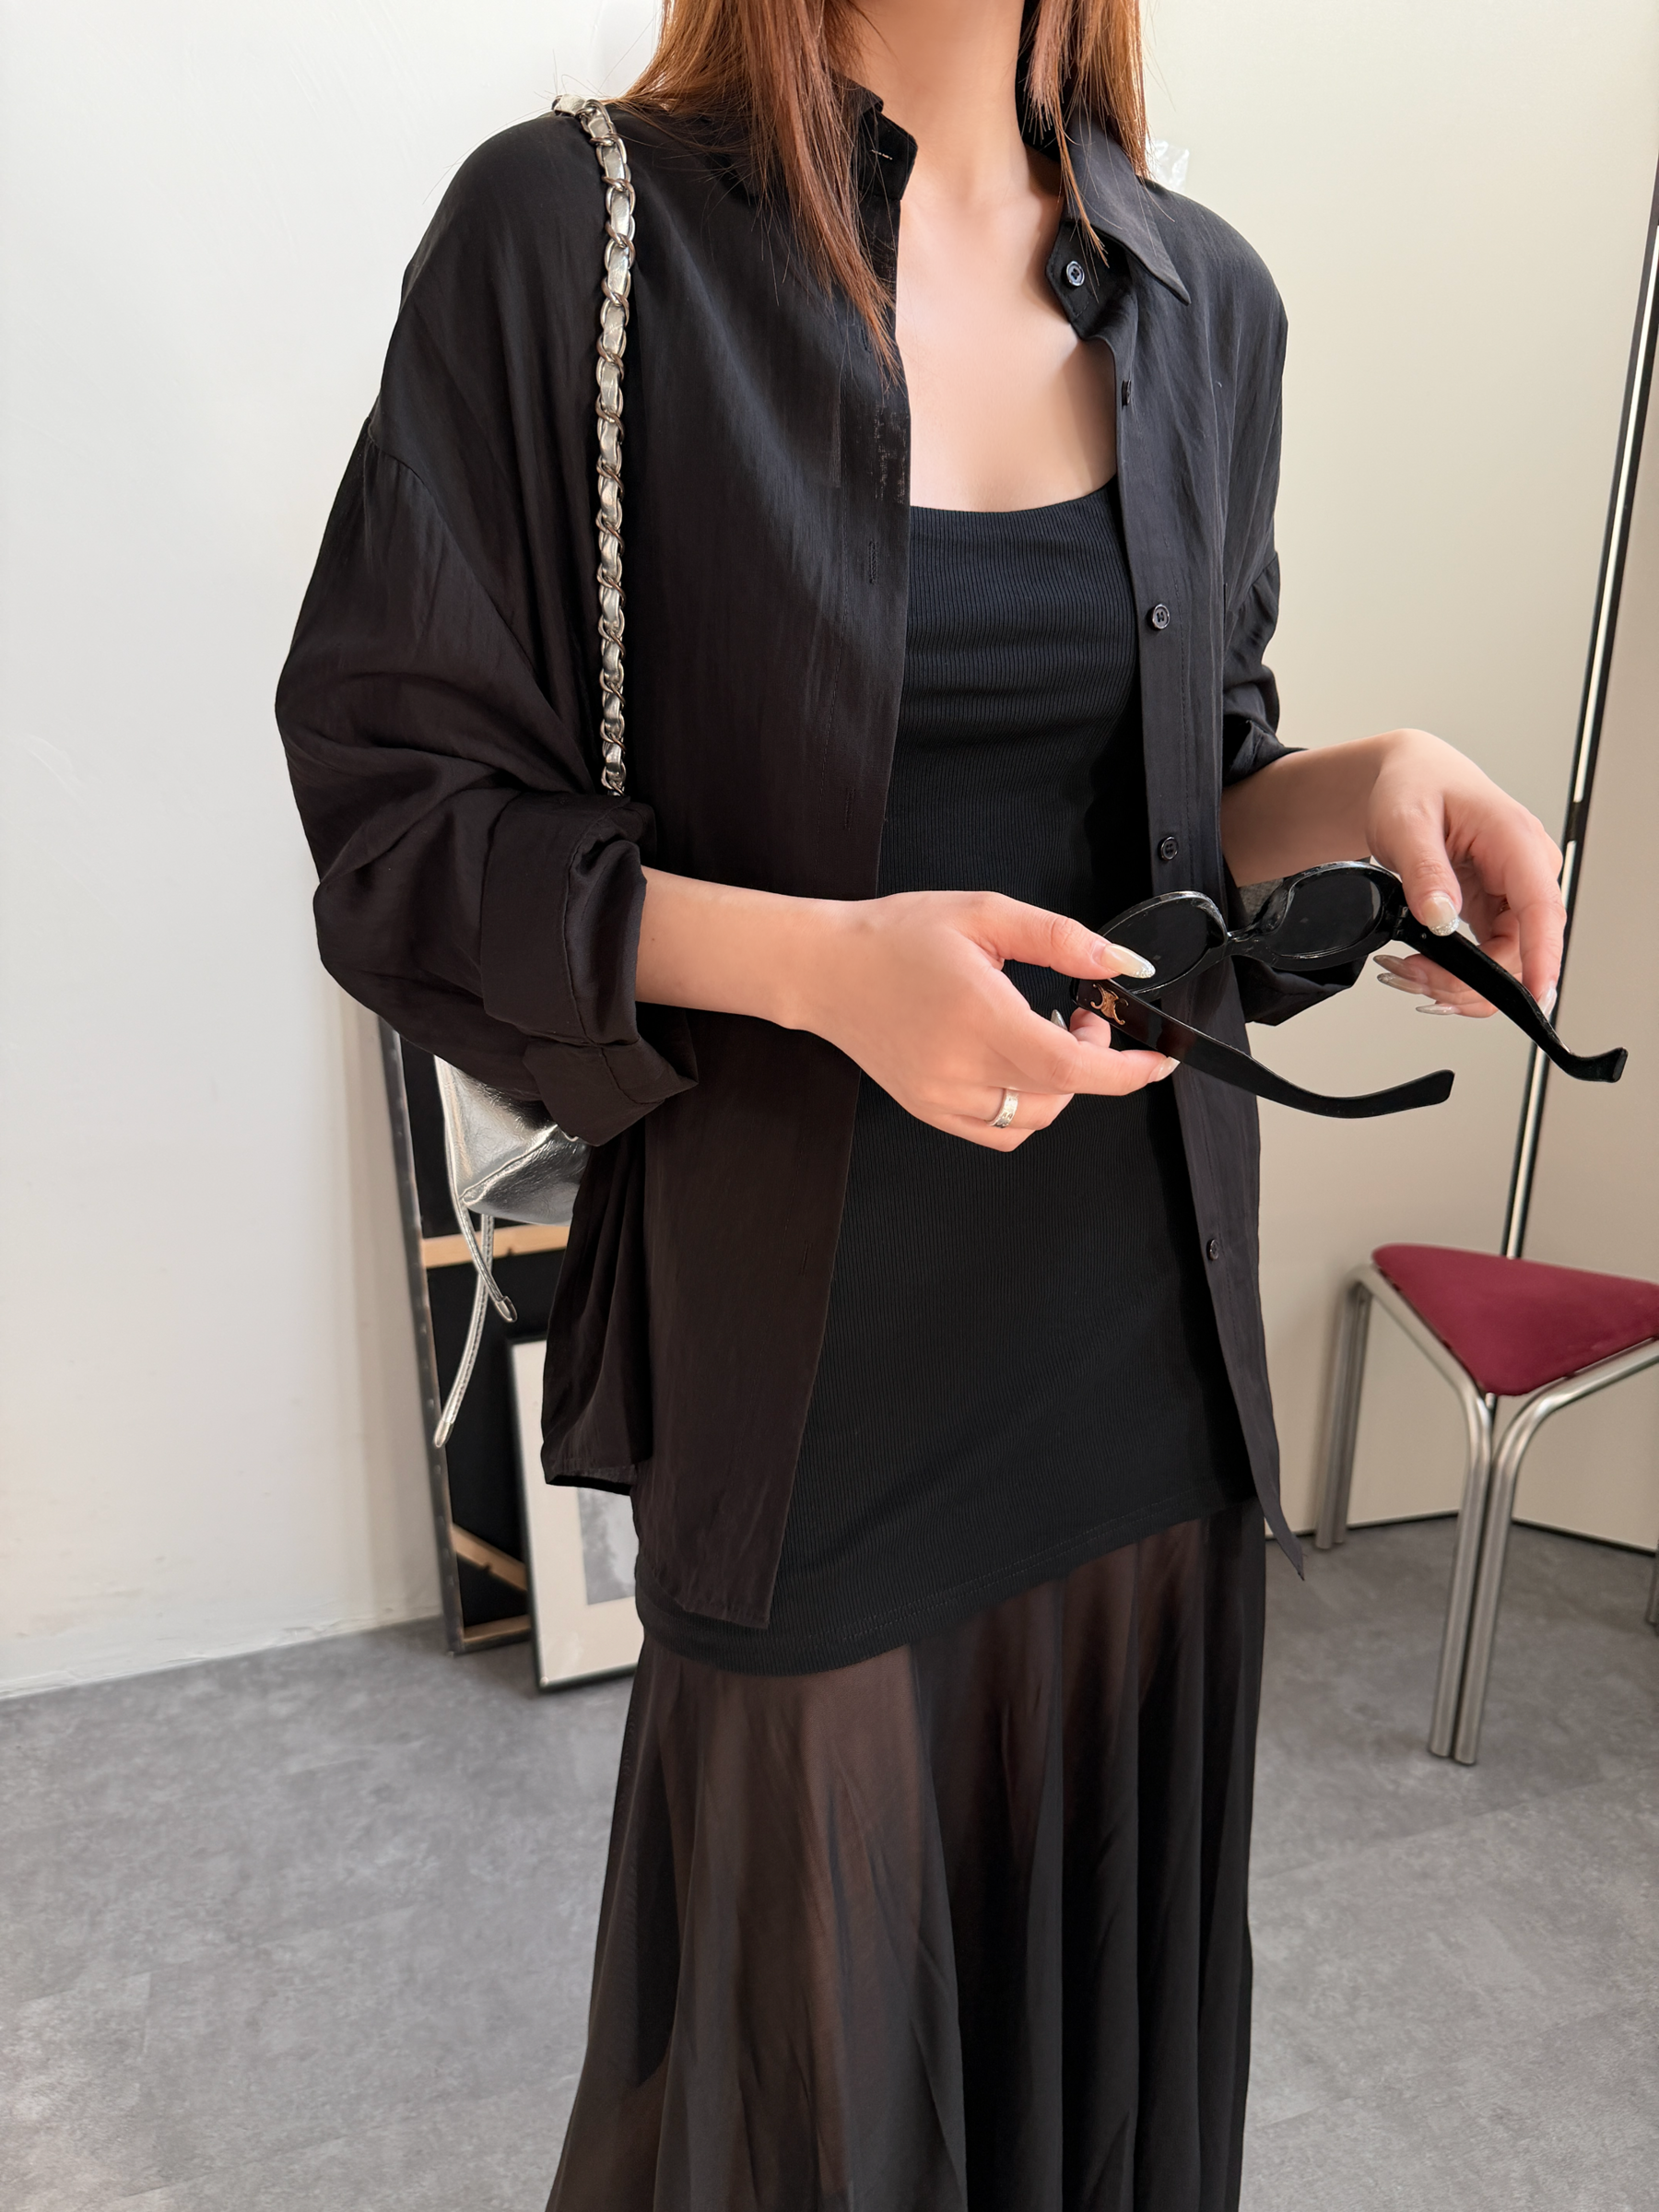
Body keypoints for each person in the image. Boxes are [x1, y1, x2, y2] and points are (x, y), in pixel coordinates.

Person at [276, 0, 1566, 2203]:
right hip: (817, 1408)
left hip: (1144, 1393)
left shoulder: (1203, 297)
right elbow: (406, 838)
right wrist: (821, 967)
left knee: (1100, 2105)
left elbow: (1190, 783)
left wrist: (1368, 787)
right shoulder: (575, 241)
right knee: (801, 2120)